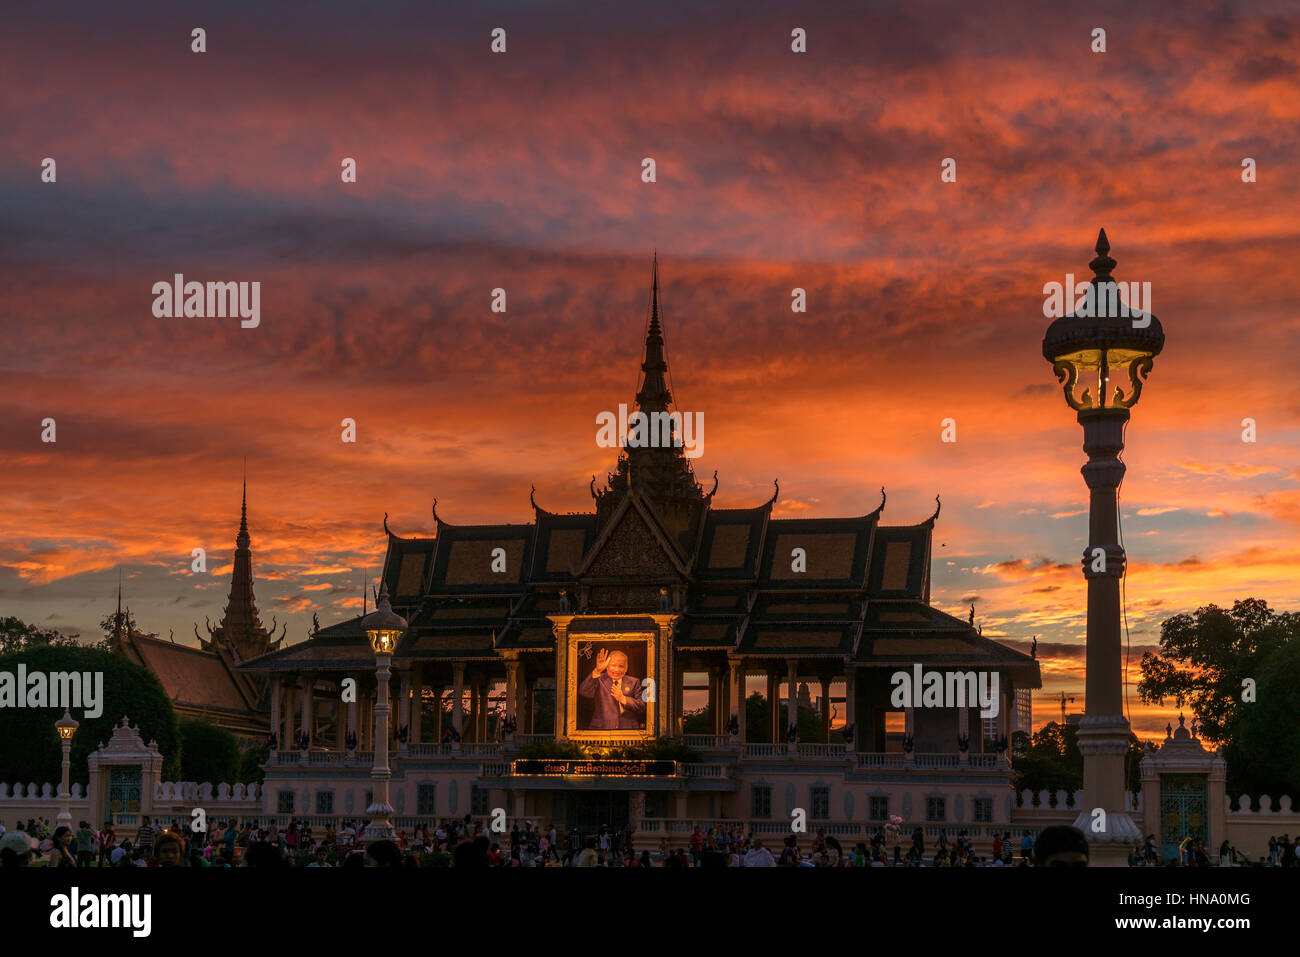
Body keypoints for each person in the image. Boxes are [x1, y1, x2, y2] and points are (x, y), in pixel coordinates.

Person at [578, 648, 645, 730]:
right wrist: (597, 671)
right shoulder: (598, 678)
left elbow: (641, 707)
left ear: (626, 667)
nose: (617, 670)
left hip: (628, 729)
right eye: (613, 665)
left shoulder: (634, 682)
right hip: (602, 729)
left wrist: (623, 699)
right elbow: (583, 691)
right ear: (607, 666)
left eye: (621, 666)